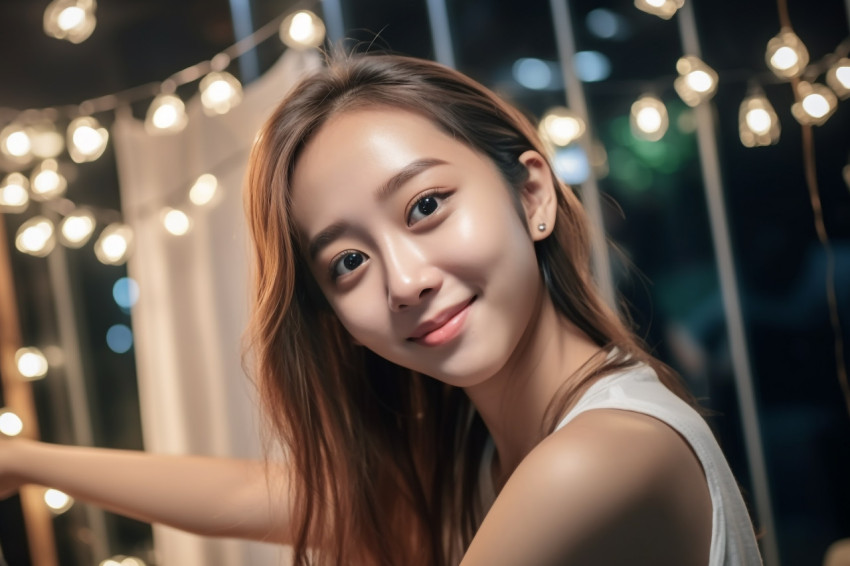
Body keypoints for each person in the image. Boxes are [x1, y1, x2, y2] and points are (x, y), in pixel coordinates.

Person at [0, 53, 762, 566]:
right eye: (347, 263)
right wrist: (22, 461)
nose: (403, 281)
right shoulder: (492, 455)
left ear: (532, 194)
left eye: (426, 205)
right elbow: (257, 495)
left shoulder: (599, 456)